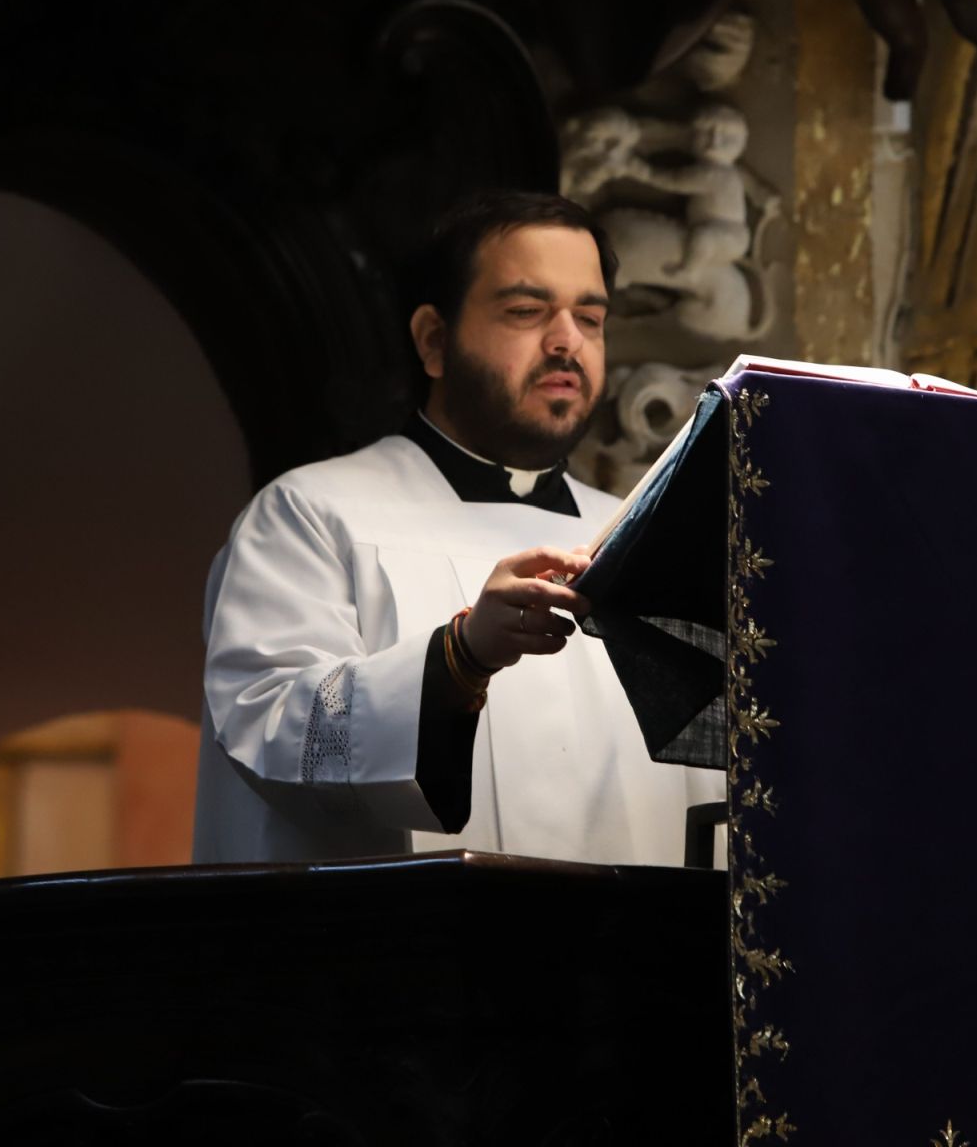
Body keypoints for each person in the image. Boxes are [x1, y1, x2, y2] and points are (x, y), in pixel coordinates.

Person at [193, 190, 721, 865]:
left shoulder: (643, 533)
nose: (567, 341)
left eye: (589, 317)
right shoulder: (310, 515)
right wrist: (460, 657)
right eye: (527, 311)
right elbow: (267, 726)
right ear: (435, 342)